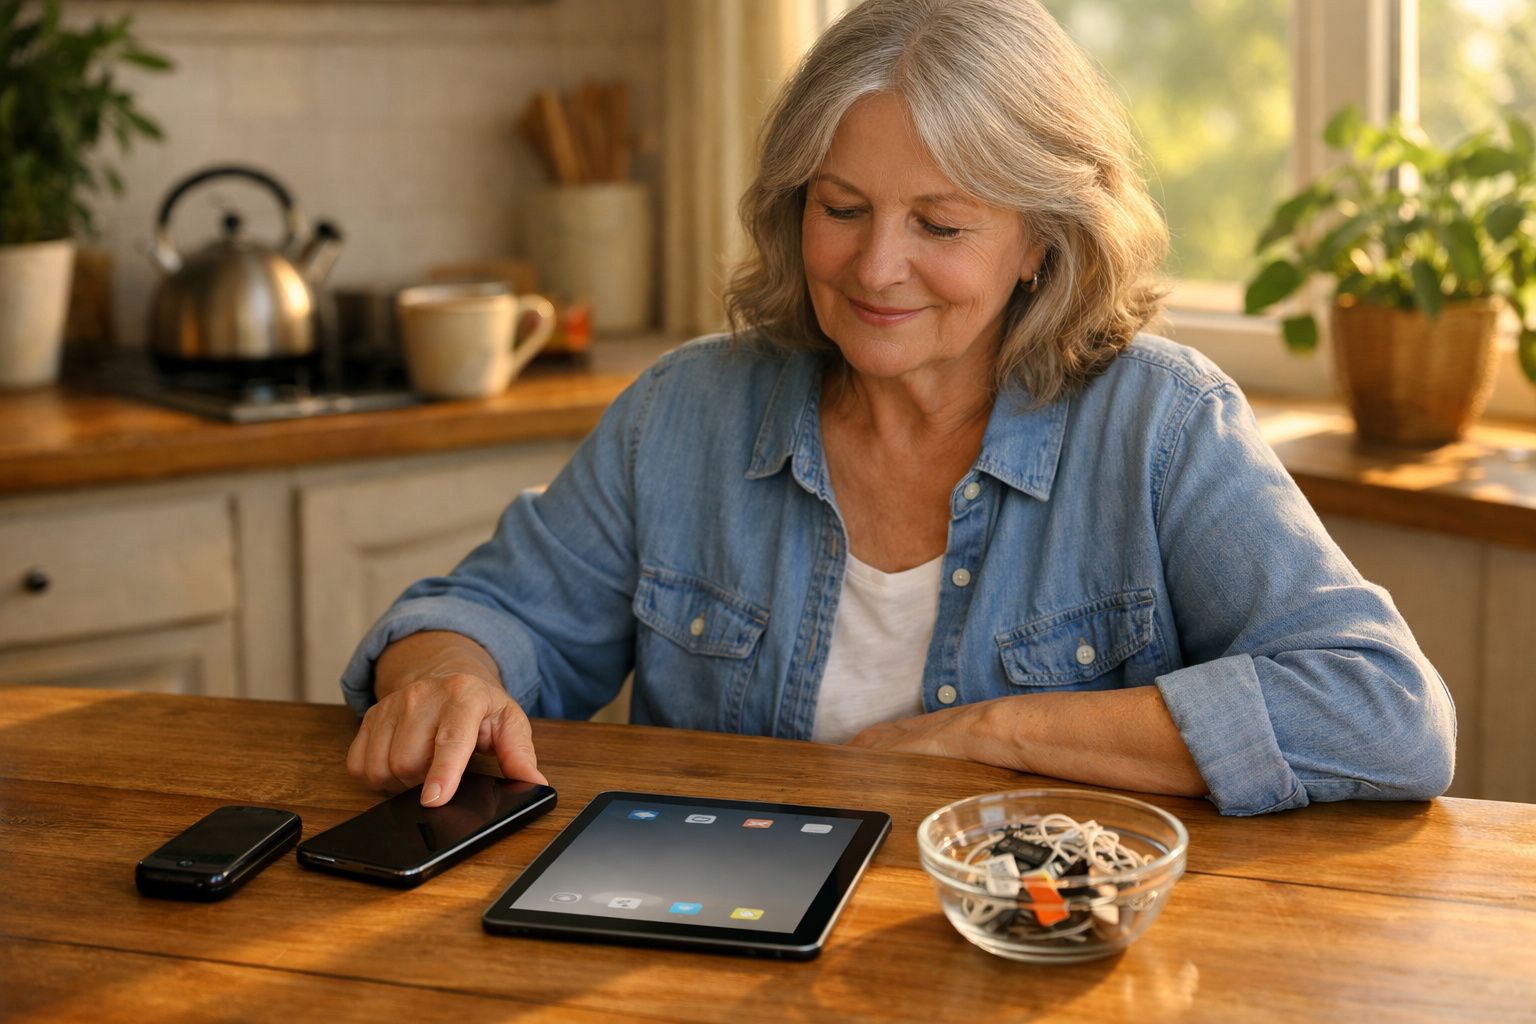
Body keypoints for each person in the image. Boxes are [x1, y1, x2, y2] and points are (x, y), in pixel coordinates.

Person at [341, 0, 1455, 817]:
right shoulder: (690, 408)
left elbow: (1381, 710)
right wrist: (448, 678)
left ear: (1041, 243)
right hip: (710, 932)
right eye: (843, 207)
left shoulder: (1158, 425)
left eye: (941, 223)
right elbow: (491, 614)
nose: (878, 267)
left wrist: (991, 735)